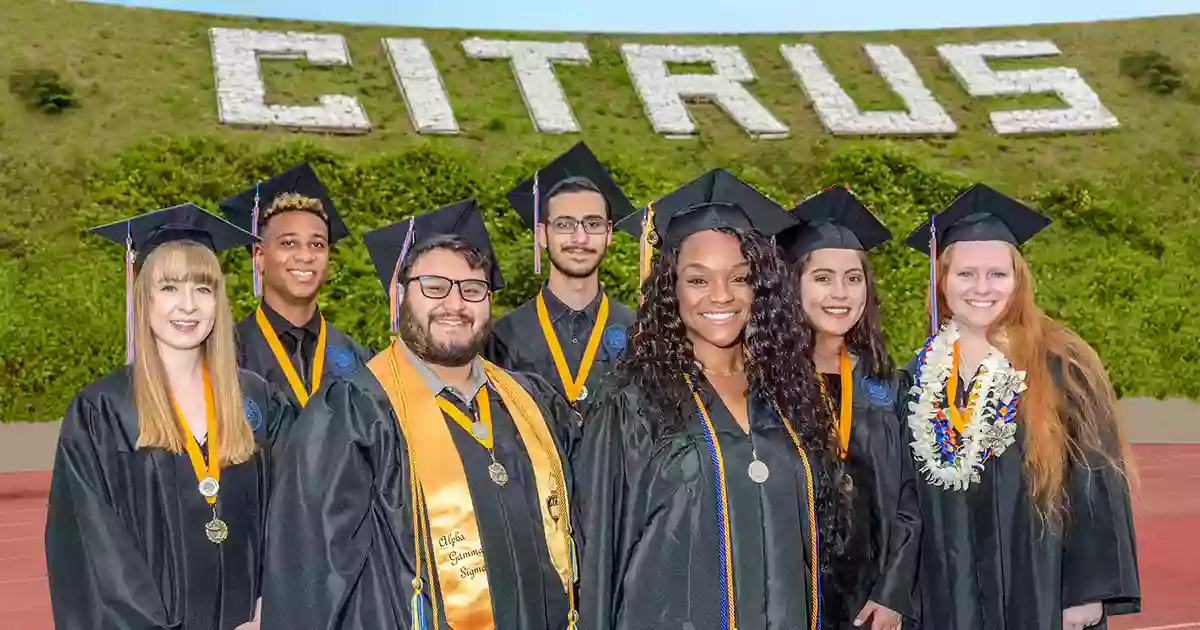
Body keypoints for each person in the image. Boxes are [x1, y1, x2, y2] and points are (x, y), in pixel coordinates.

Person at [262, 198, 583, 629]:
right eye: (434, 286)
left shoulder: (532, 404)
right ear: (399, 295)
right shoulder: (355, 415)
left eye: (472, 289)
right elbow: (311, 583)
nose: (455, 304)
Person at [578, 169, 851, 630]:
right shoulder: (631, 404)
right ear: (671, 289)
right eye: (698, 280)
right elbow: (600, 556)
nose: (721, 296)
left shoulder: (790, 392)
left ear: (759, 287)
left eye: (739, 278)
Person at [900, 183, 1140, 630]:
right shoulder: (919, 376)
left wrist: (1085, 592)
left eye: (997, 274)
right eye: (965, 274)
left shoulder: (1063, 366)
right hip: (947, 591)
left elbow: (1097, 479)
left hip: (1040, 582)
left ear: (1018, 281)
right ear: (942, 283)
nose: (981, 288)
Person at [46, 204, 294, 630]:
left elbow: (293, 512)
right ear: (142, 298)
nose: (188, 305)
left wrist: (272, 609)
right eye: (169, 287)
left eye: (203, 288)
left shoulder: (256, 399)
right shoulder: (103, 412)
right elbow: (95, 552)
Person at [775, 185, 920, 630]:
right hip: (787, 598)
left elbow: (910, 501)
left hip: (870, 604)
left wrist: (893, 596)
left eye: (852, 278)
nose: (840, 293)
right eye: (822, 278)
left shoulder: (886, 386)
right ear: (793, 284)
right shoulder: (764, 384)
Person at [487, 142, 641, 406]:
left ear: (608, 234)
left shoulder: (638, 331)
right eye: (564, 224)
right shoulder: (503, 337)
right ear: (542, 235)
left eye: (592, 224)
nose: (579, 237)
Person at [219, 162, 373, 408]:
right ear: (259, 256)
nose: (305, 256)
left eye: (317, 245)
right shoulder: (224, 351)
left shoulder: (359, 359)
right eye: (288, 243)